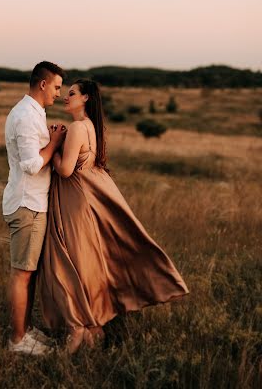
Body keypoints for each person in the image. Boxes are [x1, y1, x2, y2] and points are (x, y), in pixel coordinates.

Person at [38, 79, 189, 353]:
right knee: (85, 263)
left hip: (74, 204)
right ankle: (93, 330)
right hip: (82, 201)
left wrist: (53, 144)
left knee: (69, 263)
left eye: (71, 93)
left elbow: (65, 171)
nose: (65, 97)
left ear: (85, 98)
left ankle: (79, 326)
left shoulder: (75, 129)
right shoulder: (92, 128)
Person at [3, 61, 66, 355]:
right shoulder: (26, 116)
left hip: (34, 202)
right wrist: (53, 143)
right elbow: (30, 165)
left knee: (30, 272)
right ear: (42, 84)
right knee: (22, 273)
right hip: (27, 203)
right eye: (56, 87)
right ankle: (17, 340)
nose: (58, 93)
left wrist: (49, 138)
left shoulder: (35, 113)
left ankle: (26, 330)